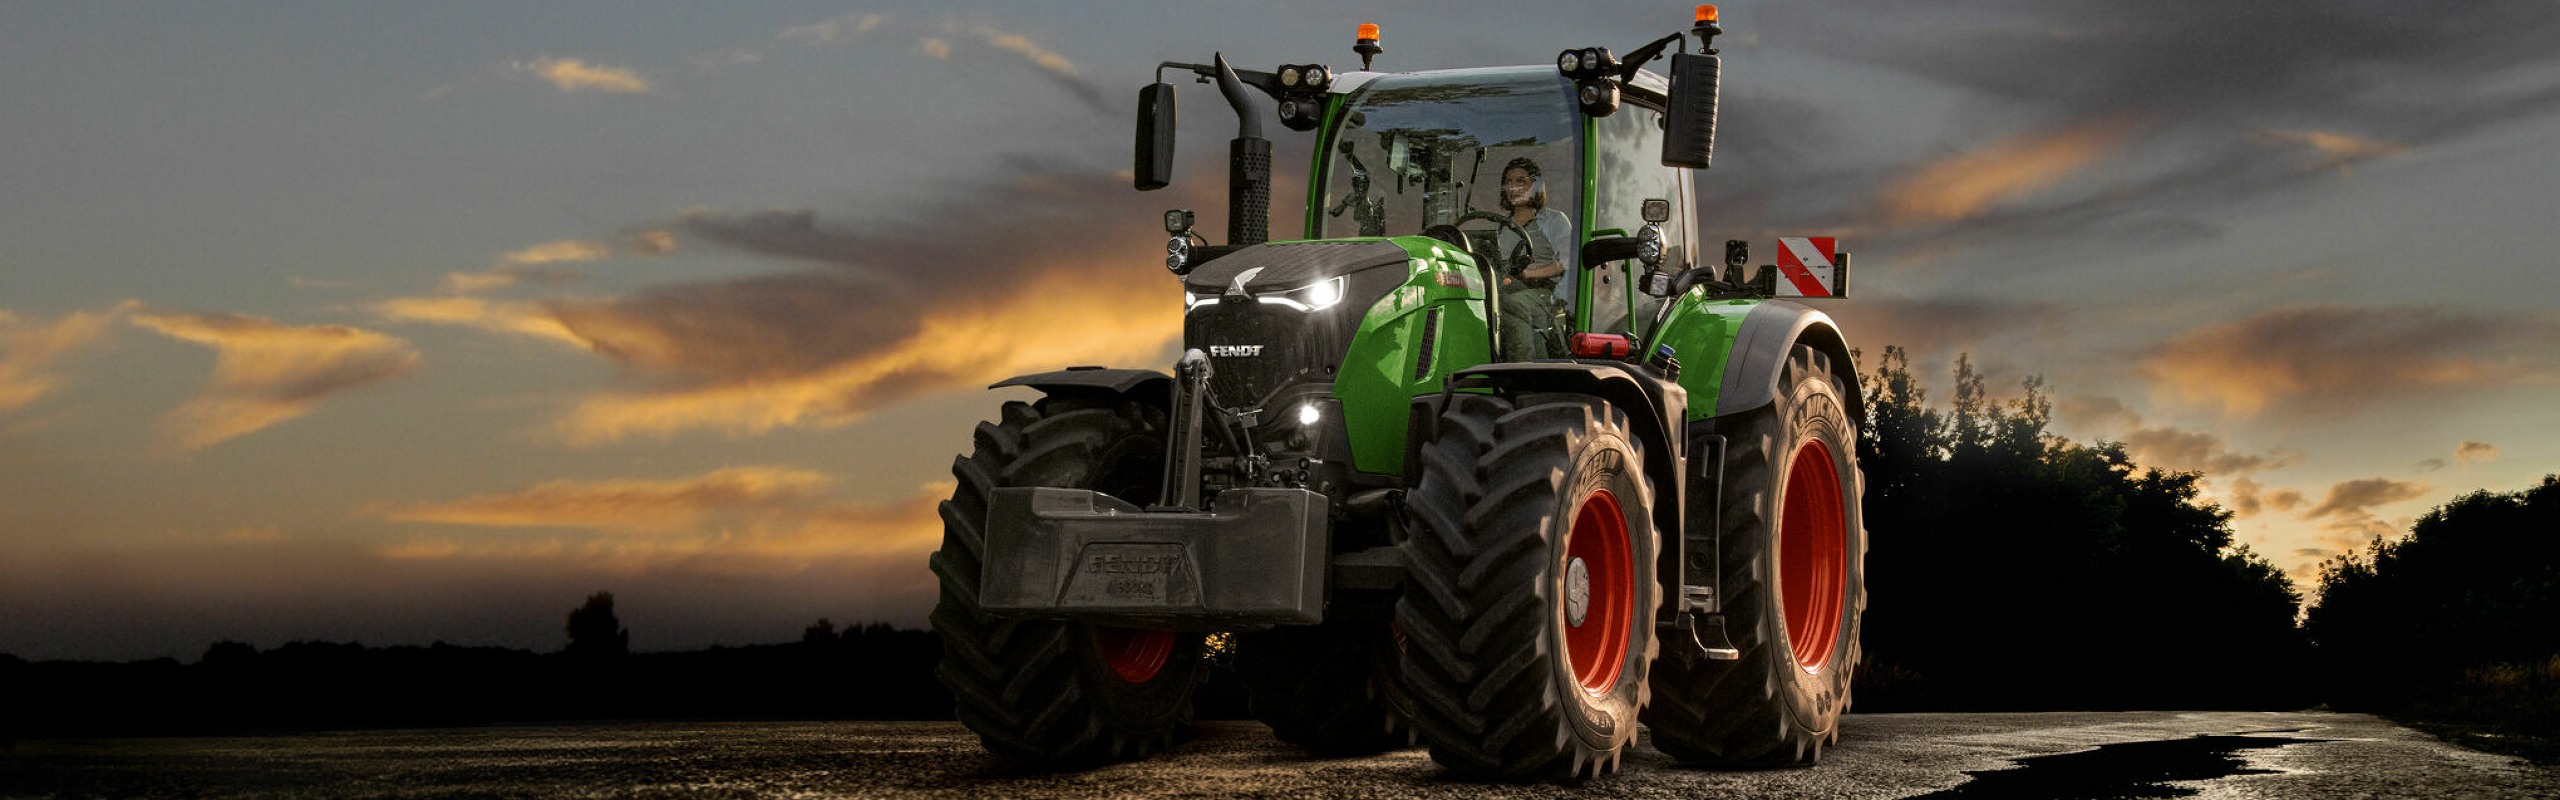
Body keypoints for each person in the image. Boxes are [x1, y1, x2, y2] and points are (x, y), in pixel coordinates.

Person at [1493, 157, 1574, 360]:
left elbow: (1567, 261)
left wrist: (1530, 273)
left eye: (1520, 181)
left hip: (1547, 292)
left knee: (1513, 303)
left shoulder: (1554, 220)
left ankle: (1521, 371)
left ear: (1536, 186)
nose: (1513, 187)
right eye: (1509, 182)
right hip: (1509, 286)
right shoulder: (1502, 227)